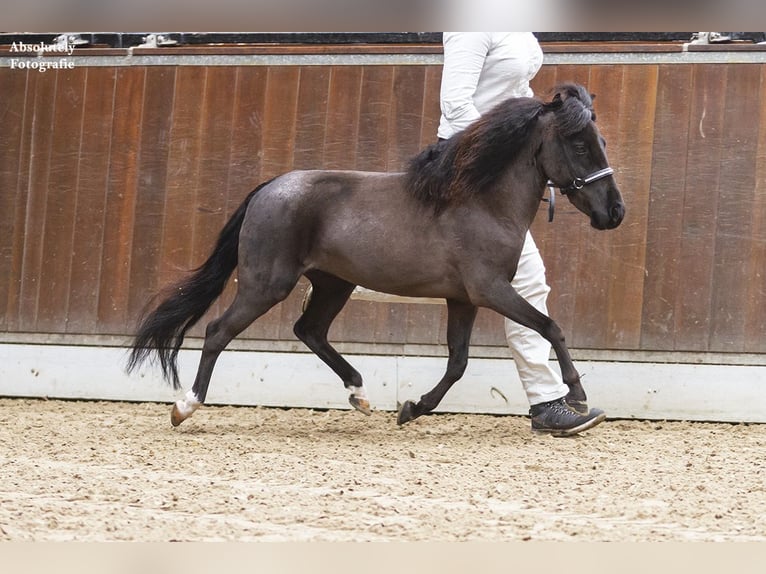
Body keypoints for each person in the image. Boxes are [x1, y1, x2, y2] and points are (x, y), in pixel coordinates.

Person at [438, 32, 605, 436]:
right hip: (467, 160)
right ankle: (547, 402)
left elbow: (517, 93)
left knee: (528, 279)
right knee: (526, 279)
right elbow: (454, 103)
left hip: (502, 165)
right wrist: (509, 150)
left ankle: (547, 401)